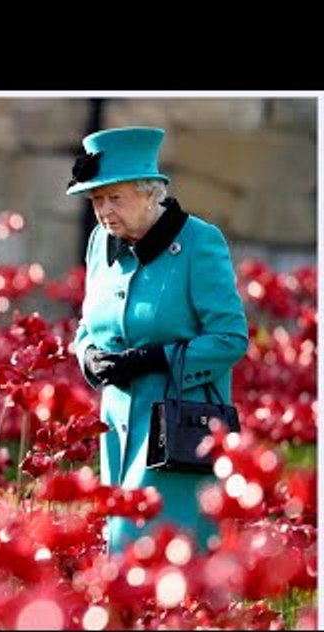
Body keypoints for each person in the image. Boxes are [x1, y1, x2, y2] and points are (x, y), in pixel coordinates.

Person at [67, 126, 249, 554]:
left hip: (179, 432)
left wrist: (157, 359)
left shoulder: (199, 243)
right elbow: (86, 325)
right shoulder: (99, 243)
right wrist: (87, 355)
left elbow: (230, 340)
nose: (104, 211)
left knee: (152, 554)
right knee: (120, 553)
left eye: (116, 197)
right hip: (115, 428)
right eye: (96, 200)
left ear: (151, 194)